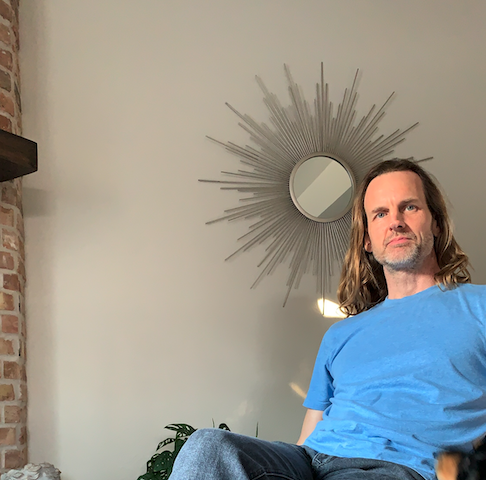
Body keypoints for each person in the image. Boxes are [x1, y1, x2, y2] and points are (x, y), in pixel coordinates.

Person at [170, 159, 486, 480]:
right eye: (380, 214)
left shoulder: (479, 307)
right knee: (206, 447)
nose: (395, 222)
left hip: (398, 468)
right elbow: (308, 435)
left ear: (436, 222)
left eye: (409, 207)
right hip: (312, 460)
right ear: (367, 239)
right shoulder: (341, 334)